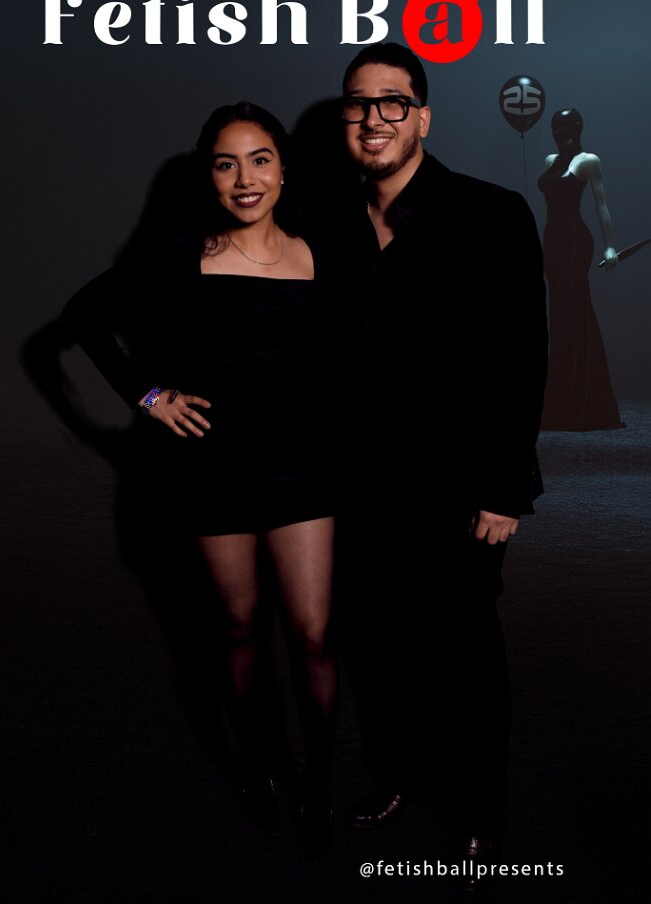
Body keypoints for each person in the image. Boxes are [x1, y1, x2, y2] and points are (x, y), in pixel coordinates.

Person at [61, 102, 337, 856]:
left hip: (301, 469)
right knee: (240, 626)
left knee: (314, 634)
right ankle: (257, 769)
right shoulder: (185, 253)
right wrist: (147, 396)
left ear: (283, 169)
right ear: (209, 177)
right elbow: (83, 316)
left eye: (259, 159)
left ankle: (317, 784)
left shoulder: (319, 254)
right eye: (226, 163)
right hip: (214, 469)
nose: (245, 178)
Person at [329, 43, 548, 881]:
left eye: (392, 102)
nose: (373, 118)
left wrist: (505, 487)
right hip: (358, 483)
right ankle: (398, 777)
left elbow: (523, 355)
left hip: (462, 485)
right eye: (358, 103)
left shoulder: (490, 212)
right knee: (379, 644)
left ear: (422, 117)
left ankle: (479, 813)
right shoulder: (327, 221)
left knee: (463, 652)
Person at [538, 108, 624, 430]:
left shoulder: (589, 161)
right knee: (559, 316)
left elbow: (601, 204)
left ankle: (580, 401)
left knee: (573, 312)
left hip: (575, 243)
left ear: (577, 128)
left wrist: (610, 245)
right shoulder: (550, 161)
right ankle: (565, 396)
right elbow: (549, 208)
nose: (559, 133)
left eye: (564, 127)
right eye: (555, 128)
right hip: (553, 243)